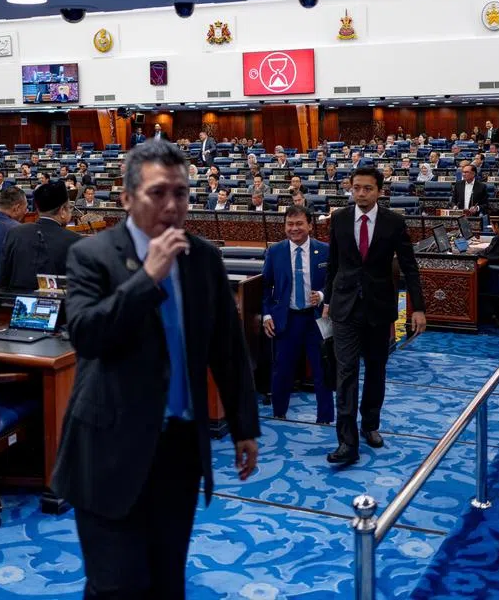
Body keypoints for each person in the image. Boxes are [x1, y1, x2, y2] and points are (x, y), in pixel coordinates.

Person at [52, 139, 258, 598]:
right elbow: (87, 335)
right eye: (158, 193)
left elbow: (227, 348)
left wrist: (244, 426)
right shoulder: (92, 254)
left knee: (167, 581)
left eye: (181, 193)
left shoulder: (203, 257)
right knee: (116, 587)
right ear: (127, 197)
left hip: (178, 451)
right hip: (109, 451)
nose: (172, 205)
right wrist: (148, 278)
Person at [323, 166, 426, 465]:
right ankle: (347, 442)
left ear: (380, 191)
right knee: (345, 372)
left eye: (367, 188)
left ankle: (370, 424)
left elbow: (409, 267)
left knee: (376, 370)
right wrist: (328, 300)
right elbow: (333, 264)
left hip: (379, 307)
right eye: (356, 188)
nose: (361, 194)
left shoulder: (394, 222)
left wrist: (418, 308)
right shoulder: (339, 218)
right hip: (345, 306)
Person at [262, 205, 333, 424]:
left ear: (310, 225)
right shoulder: (275, 251)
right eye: (290, 224)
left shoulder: (326, 250)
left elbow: (335, 282)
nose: (294, 228)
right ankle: (279, 413)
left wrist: (322, 295)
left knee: (322, 369)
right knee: (282, 369)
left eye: (299, 224)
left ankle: (324, 417)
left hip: (318, 319)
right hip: (287, 319)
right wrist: (267, 315)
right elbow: (265, 287)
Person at [0, 181, 81, 290]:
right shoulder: (75, 241)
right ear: (62, 211)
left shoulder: (15, 233)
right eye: (69, 207)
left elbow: (3, 279)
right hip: (58, 300)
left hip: (17, 299)